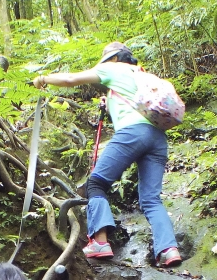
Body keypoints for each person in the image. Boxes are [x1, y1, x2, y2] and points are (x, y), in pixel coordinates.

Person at [34, 42, 182, 267]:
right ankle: (169, 249)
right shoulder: (142, 75)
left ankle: (100, 242)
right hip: (158, 139)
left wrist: (43, 79)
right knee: (151, 199)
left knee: (96, 184)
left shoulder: (113, 68)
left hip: (133, 134)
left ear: (113, 58)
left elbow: (71, 80)